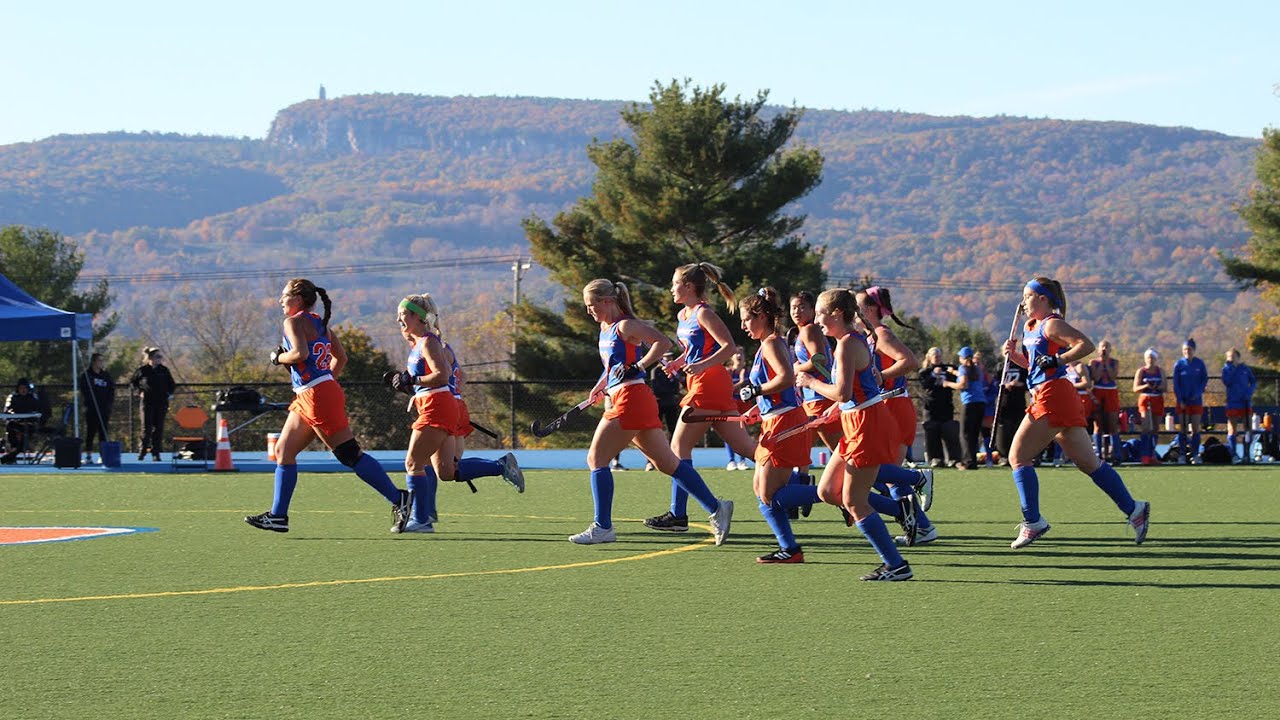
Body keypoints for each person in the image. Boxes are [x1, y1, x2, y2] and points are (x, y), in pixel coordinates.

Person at [572, 278, 733, 545]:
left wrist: (640, 365)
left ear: (607, 301)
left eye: (592, 305)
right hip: (631, 398)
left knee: (596, 458)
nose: (589, 311)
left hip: (631, 398)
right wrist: (600, 386)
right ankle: (717, 507)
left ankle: (603, 527)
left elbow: (663, 343)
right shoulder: (605, 327)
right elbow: (611, 365)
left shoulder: (625, 325)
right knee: (668, 463)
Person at [245, 279, 410, 534]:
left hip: (316, 395)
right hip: (312, 394)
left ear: (297, 299)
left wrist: (277, 358)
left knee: (349, 455)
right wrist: (326, 380)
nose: (280, 300)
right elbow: (340, 358)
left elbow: (300, 354)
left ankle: (398, 498)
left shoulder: (293, 322)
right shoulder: (318, 323)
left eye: (284, 296)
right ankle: (278, 516)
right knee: (283, 451)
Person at [1001, 277, 1150, 549]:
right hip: (1054, 395)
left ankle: (1032, 521)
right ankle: (1134, 509)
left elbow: (1085, 345)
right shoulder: (1030, 326)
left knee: (1018, 456)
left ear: (1043, 298)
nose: (1023, 301)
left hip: (1053, 395)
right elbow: (1036, 365)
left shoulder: (1052, 323)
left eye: (1028, 295)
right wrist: (1015, 358)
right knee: (1089, 463)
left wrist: (1059, 359)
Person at [795, 288, 914, 580]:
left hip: (865, 423)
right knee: (826, 492)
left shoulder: (847, 345)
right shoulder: (848, 342)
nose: (817, 320)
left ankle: (896, 565)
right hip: (855, 420)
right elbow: (856, 391)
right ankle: (901, 507)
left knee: (853, 501)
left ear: (836, 314)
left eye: (821, 314)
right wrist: (834, 409)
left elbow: (844, 391)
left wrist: (811, 380)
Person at [643, 262, 755, 532]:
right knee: (746, 449)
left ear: (689, 286)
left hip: (709, 383)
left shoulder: (704, 313)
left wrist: (702, 365)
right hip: (701, 382)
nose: (671, 289)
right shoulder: (684, 315)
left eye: (674, 284)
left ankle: (687, 513)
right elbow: (693, 350)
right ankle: (797, 482)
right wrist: (678, 363)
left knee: (677, 449)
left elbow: (728, 347)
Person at [739, 288, 815, 562]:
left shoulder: (771, 343)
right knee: (763, 492)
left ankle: (838, 494)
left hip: (784, 423)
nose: (743, 326)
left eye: (746, 319)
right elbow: (777, 391)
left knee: (769, 493)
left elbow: (784, 379)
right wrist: (756, 409)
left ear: (760, 316)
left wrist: (756, 392)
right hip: (775, 420)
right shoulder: (767, 343)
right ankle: (790, 548)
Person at [128, 347, 175, 461]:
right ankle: (142, 450)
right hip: (147, 402)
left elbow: (172, 385)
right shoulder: (143, 370)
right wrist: (140, 391)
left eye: (161, 357)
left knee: (158, 428)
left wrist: (168, 394)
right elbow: (133, 383)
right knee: (146, 428)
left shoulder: (164, 370)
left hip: (161, 403)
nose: (160, 359)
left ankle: (156, 452)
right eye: (157, 356)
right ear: (150, 358)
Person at [919, 347, 963, 468]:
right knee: (932, 434)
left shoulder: (948, 369)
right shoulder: (925, 372)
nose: (937, 358)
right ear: (929, 357)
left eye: (939, 355)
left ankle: (954, 459)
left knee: (950, 433)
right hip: (931, 407)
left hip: (946, 406)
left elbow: (958, 377)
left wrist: (949, 373)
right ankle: (936, 458)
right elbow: (924, 384)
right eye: (934, 356)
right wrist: (934, 375)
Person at [1172, 338, 1209, 464]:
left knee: (1195, 428)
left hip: (1196, 401)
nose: (1187, 351)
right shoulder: (1179, 364)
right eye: (1185, 349)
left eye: (1189, 349)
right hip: (1183, 401)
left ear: (1194, 350)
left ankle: (1195, 454)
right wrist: (1180, 399)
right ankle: (1182, 454)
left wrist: (1197, 393)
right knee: (1182, 428)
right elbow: (1176, 384)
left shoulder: (1200, 364)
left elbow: (1204, 381)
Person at [1088, 339, 1122, 462]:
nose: (1104, 349)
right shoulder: (1093, 362)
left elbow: (1113, 376)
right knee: (1098, 424)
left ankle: (1116, 454)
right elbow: (1095, 377)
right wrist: (1101, 363)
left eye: (1107, 347)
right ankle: (1098, 453)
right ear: (1098, 349)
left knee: (1113, 424)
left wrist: (1107, 363)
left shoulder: (1114, 362)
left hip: (1111, 391)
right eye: (1102, 347)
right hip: (1098, 391)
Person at [1221, 347, 1257, 461]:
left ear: (1238, 357)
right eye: (1229, 357)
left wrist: (1249, 392)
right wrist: (1230, 368)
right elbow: (1227, 382)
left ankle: (1246, 454)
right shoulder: (1226, 369)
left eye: (1233, 356)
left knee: (1248, 428)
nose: (1231, 359)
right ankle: (1234, 454)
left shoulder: (1245, 369)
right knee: (1232, 428)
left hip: (1245, 402)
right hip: (1233, 402)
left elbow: (1253, 382)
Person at [79, 353, 115, 464]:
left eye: (102, 360)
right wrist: (90, 401)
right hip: (91, 409)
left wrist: (108, 404)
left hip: (104, 409)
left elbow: (111, 390)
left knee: (103, 432)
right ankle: (88, 456)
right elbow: (84, 390)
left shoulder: (105, 375)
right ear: (94, 362)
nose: (101, 363)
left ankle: (102, 455)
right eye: (99, 360)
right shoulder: (87, 375)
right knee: (91, 432)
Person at [1132, 348, 1165, 465]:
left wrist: (1156, 386)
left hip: (1157, 398)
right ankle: (1145, 455)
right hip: (1145, 398)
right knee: (1146, 427)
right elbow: (1135, 388)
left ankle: (1152, 455)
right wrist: (1146, 385)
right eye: (1148, 358)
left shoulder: (1160, 371)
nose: (1150, 360)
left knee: (1155, 428)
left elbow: (1164, 387)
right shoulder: (1141, 371)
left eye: (1152, 358)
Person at [955, 346, 985, 470]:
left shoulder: (963, 368)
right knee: (974, 433)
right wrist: (953, 372)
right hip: (981, 403)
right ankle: (973, 461)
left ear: (962, 358)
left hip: (969, 403)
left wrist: (947, 384)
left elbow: (963, 384)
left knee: (965, 434)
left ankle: (967, 462)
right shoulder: (977, 369)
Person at [993, 360, 1028, 466]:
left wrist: (1019, 384)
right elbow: (994, 382)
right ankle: (1004, 456)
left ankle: (1020, 455)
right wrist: (1005, 385)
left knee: (1018, 429)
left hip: (1018, 403)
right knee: (1003, 431)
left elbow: (1029, 383)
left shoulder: (1022, 366)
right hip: (1004, 403)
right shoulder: (1000, 366)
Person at [3, 379, 42, 462]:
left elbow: (39, 410)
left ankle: (11, 456)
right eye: (21, 388)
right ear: (18, 389)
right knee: (10, 426)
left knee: (26, 437)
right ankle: (13, 449)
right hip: (16, 423)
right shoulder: (12, 397)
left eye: (25, 388)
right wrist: (12, 415)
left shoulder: (33, 397)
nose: (23, 390)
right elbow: (7, 410)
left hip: (30, 424)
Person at [725, 346, 750, 470]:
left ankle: (742, 461)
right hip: (731, 403)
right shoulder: (728, 371)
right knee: (729, 431)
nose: (739, 355)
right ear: (732, 357)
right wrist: (740, 382)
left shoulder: (748, 371)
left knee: (742, 431)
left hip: (744, 404)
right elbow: (727, 388)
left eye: (741, 353)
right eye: (736, 353)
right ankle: (731, 461)